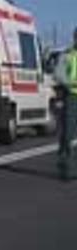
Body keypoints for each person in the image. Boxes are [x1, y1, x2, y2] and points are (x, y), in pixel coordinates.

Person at [54, 27, 77, 181]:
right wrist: (71, 82)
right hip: (72, 98)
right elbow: (59, 74)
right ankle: (65, 166)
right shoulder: (68, 55)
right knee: (68, 135)